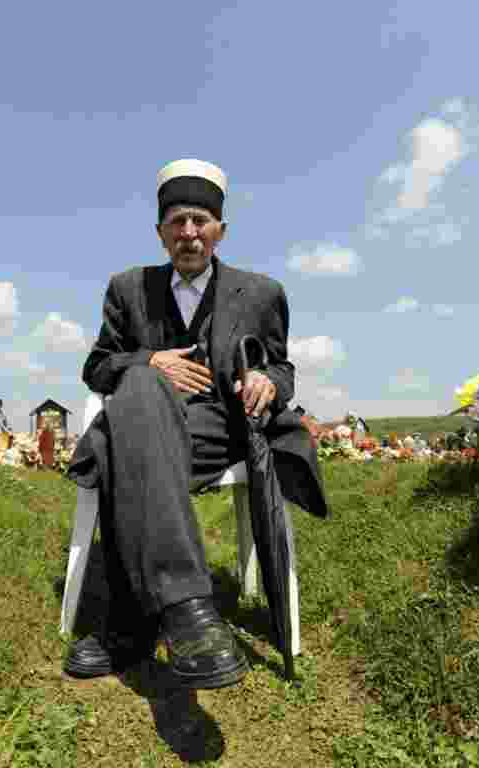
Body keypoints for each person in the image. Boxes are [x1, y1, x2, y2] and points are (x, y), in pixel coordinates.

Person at [66, 158, 327, 690]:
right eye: (178, 222)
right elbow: (97, 366)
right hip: (145, 421)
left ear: (220, 231)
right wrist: (149, 361)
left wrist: (268, 383)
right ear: (161, 233)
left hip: (220, 428)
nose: (189, 233)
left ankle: (129, 623)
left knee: (124, 450)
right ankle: (187, 608)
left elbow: (281, 366)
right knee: (138, 386)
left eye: (200, 221)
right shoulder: (127, 288)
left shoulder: (261, 293)